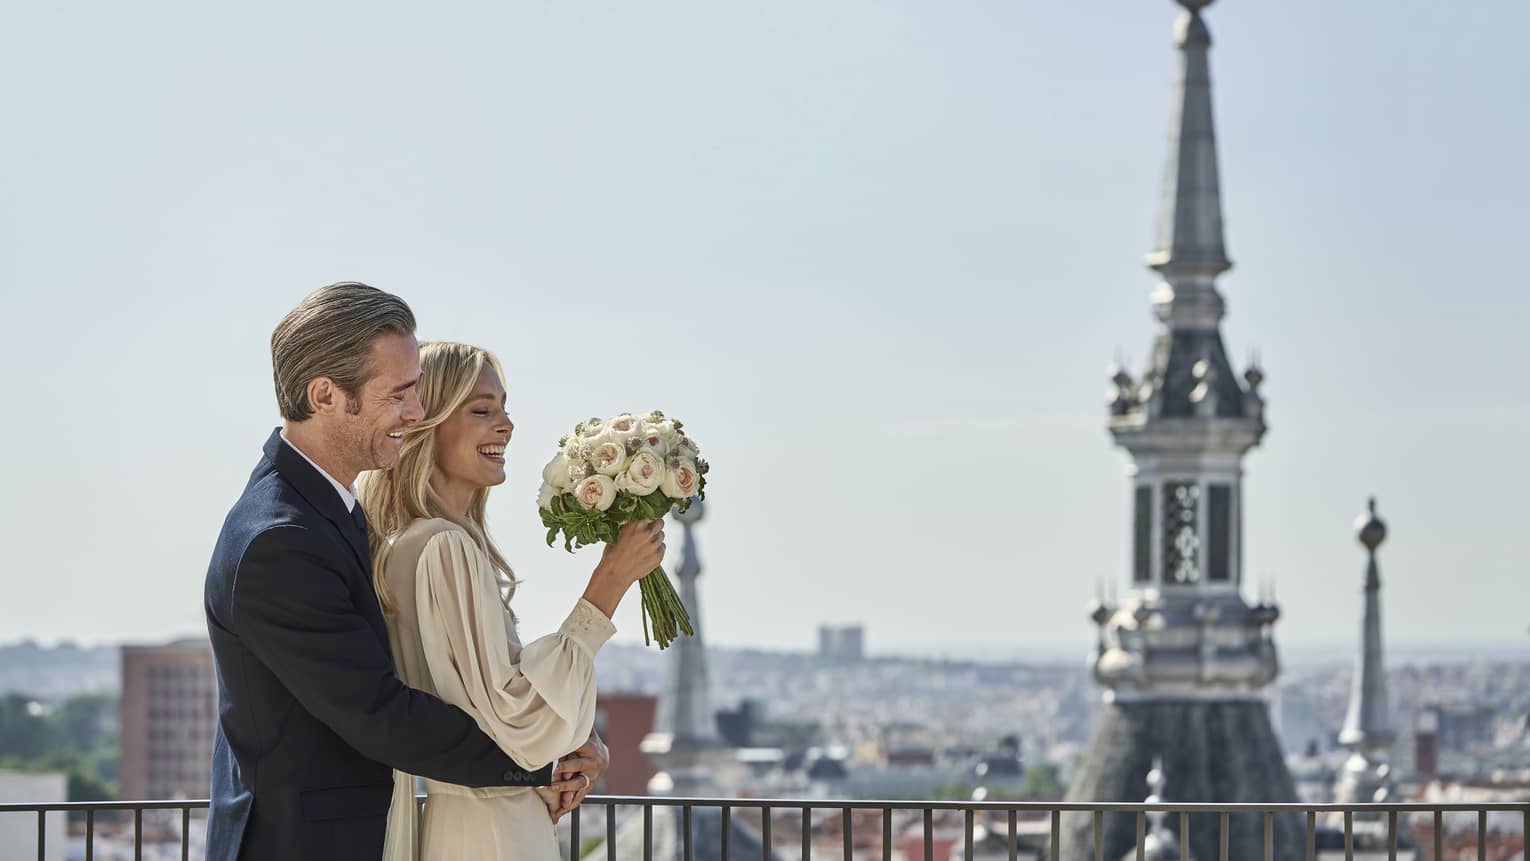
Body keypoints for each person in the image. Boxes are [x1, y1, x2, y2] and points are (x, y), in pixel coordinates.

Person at [204, 284, 579, 860]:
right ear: (326, 394)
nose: (417, 413)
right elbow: (379, 713)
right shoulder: (281, 540)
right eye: (399, 395)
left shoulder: (325, 511)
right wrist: (541, 762)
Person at [358, 341, 663, 859]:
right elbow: (519, 718)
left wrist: (571, 747)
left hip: (460, 822)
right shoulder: (445, 547)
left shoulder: (402, 544)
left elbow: (481, 710)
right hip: (493, 829)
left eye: (504, 409)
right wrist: (610, 579)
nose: (507, 426)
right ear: (425, 425)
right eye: (482, 410)